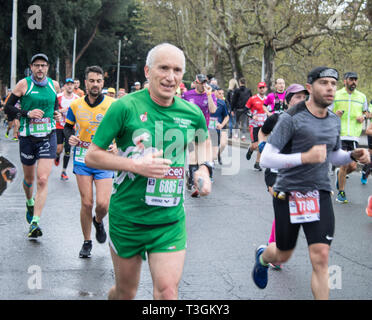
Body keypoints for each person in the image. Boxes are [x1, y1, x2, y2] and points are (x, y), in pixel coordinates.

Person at [85, 43, 212, 300]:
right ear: (147, 71)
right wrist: (135, 165)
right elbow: (92, 156)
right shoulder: (124, 107)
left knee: (167, 292)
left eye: (177, 70)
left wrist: (203, 169)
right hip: (128, 219)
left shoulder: (191, 113)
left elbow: (204, 143)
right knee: (125, 293)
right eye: (163, 68)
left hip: (169, 221)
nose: (170, 76)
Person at [252, 66, 369, 299]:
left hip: (320, 193)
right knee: (283, 254)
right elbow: (266, 158)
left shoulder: (334, 121)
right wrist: (304, 157)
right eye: (324, 83)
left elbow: (333, 156)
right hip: (288, 193)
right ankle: (264, 257)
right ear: (310, 87)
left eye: (333, 84)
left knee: (321, 258)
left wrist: (352, 156)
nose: (330, 88)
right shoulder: (291, 118)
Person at [4, 53, 61, 239]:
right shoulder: (24, 84)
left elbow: (55, 106)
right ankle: (29, 201)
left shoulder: (54, 85)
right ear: (31, 67)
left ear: (48, 68)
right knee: (29, 179)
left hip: (48, 136)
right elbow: (8, 108)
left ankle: (35, 221)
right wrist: (27, 113)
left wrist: (57, 115)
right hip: (28, 137)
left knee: (43, 179)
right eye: (36, 65)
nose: (40, 69)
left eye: (43, 65)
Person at [64, 66, 116, 258]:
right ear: (85, 82)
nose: (95, 84)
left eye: (99, 81)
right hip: (82, 158)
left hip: (104, 157)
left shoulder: (112, 105)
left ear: (103, 83)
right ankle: (87, 242)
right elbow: (67, 128)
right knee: (86, 203)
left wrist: (117, 145)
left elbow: (122, 129)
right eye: (92, 81)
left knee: (103, 204)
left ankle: (98, 220)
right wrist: (69, 138)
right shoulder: (76, 106)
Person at [258, 83, 308, 270]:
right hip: (275, 171)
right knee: (282, 199)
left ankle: (274, 251)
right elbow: (262, 133)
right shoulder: (277, 118)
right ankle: (274, 249)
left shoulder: (308, 121)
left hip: (295, 173)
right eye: (297, 97)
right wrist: (263, 146)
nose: (301, 100)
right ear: (288, 101)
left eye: (304, 97)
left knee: (286, 209)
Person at [332, 72, 369, 203]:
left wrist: (363, 117)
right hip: (340, 134)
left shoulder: (361, 96)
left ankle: (339, 175)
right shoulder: (336, 94)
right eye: (351, 79)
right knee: (344, 164)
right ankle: (341, 193)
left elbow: (368, 112)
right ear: (345, 81)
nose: (354, 82)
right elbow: (326, 111)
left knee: (353, 166)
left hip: (354, 136)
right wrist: (334, 114)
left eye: (355, 80)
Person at [182, 73, 217, 196]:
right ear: (196, 82)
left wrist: (209, 95)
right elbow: (180, 109)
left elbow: (212, 110)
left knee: (202, 157)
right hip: (189, 128)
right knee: (193, 155)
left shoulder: (211, 95)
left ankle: (195, 178)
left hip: (203, 129)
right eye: (201, 82)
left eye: (205, 82)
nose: (203, 85)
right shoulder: (187, 95)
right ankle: (192, 181)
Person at [55, 78, 79, 181]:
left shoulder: (77, 98)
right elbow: (53, 109)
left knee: (68, 150)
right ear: (64, 86)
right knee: (59, 149)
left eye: (71, 84)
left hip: (70, 127)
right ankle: (57, 155)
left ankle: (64, 171)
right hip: (59, 126)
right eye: (68, 84)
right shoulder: (58, 97)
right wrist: (61, 110)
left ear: (74, 86)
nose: (69, 86)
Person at [245, 82, 268, 171]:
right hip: (254, 125)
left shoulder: (268, 99)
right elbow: (246, 110)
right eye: (260, 87)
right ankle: (250, 150)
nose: (262, 89)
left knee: (261, 144)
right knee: (255, 145)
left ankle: (257, 163)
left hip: (264, 125)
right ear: (258, 89)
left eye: (263, 87)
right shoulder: (252, 99)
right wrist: (252, 116)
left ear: (265, 88)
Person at [209, 85, 229, 165]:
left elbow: (227, 116)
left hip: (218, 128)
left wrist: (221, 125)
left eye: (214, 91)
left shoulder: (221, 103)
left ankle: (217, 155)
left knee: (222, 144)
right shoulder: (204, 102)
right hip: (207, 129)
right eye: (211, 92)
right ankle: (209, 163)